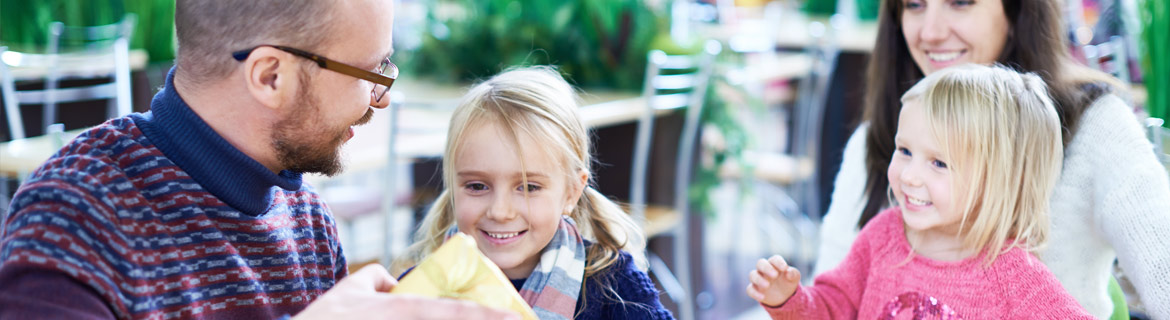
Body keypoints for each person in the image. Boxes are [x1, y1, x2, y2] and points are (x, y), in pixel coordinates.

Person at [0, 1, 518, 319]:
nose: (379, 98)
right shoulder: (74, 215)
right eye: (372, 71)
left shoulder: (309, 223)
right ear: (271, 76)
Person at [814, 0, 1170, 318]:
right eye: (914, 5)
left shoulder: (1098, 126)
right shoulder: (874, 138)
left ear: (1018, 12)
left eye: (960, 3)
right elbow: (829, 296)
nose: (931, 32)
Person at [749, 64, 1092, 318]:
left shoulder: (1014, 276)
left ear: (1002, 179)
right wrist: (788, 299)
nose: (910, 176)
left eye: (939, 163)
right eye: (905, 151)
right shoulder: (882, 236)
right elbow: (833, 308)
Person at [393, 67, 674, 320]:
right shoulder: (420, 293)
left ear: (571, 192)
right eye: (477, 186)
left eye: (529, 187)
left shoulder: (617, 287)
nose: (500, 211)